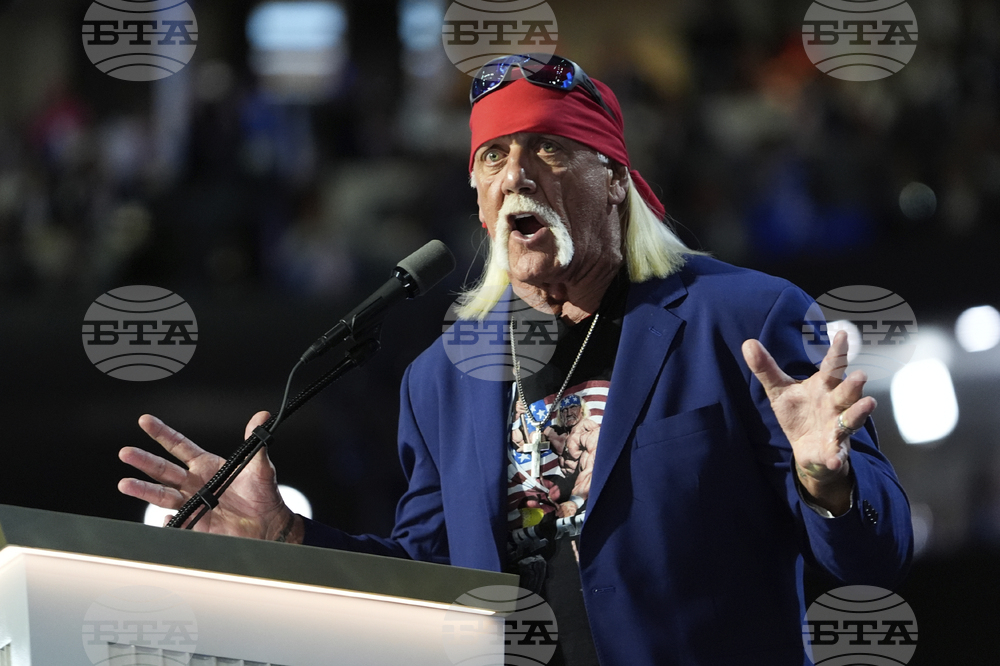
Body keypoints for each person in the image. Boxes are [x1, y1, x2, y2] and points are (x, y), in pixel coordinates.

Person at [119, 54, 913, 665]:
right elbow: (429, 580)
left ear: (614, 181)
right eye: (493, 156)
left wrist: (826, 479)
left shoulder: (742, 319)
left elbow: (876, 555)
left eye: (550, 150)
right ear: (477, 196)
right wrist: (290, 538)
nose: (517, 175)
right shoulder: (442, 379)